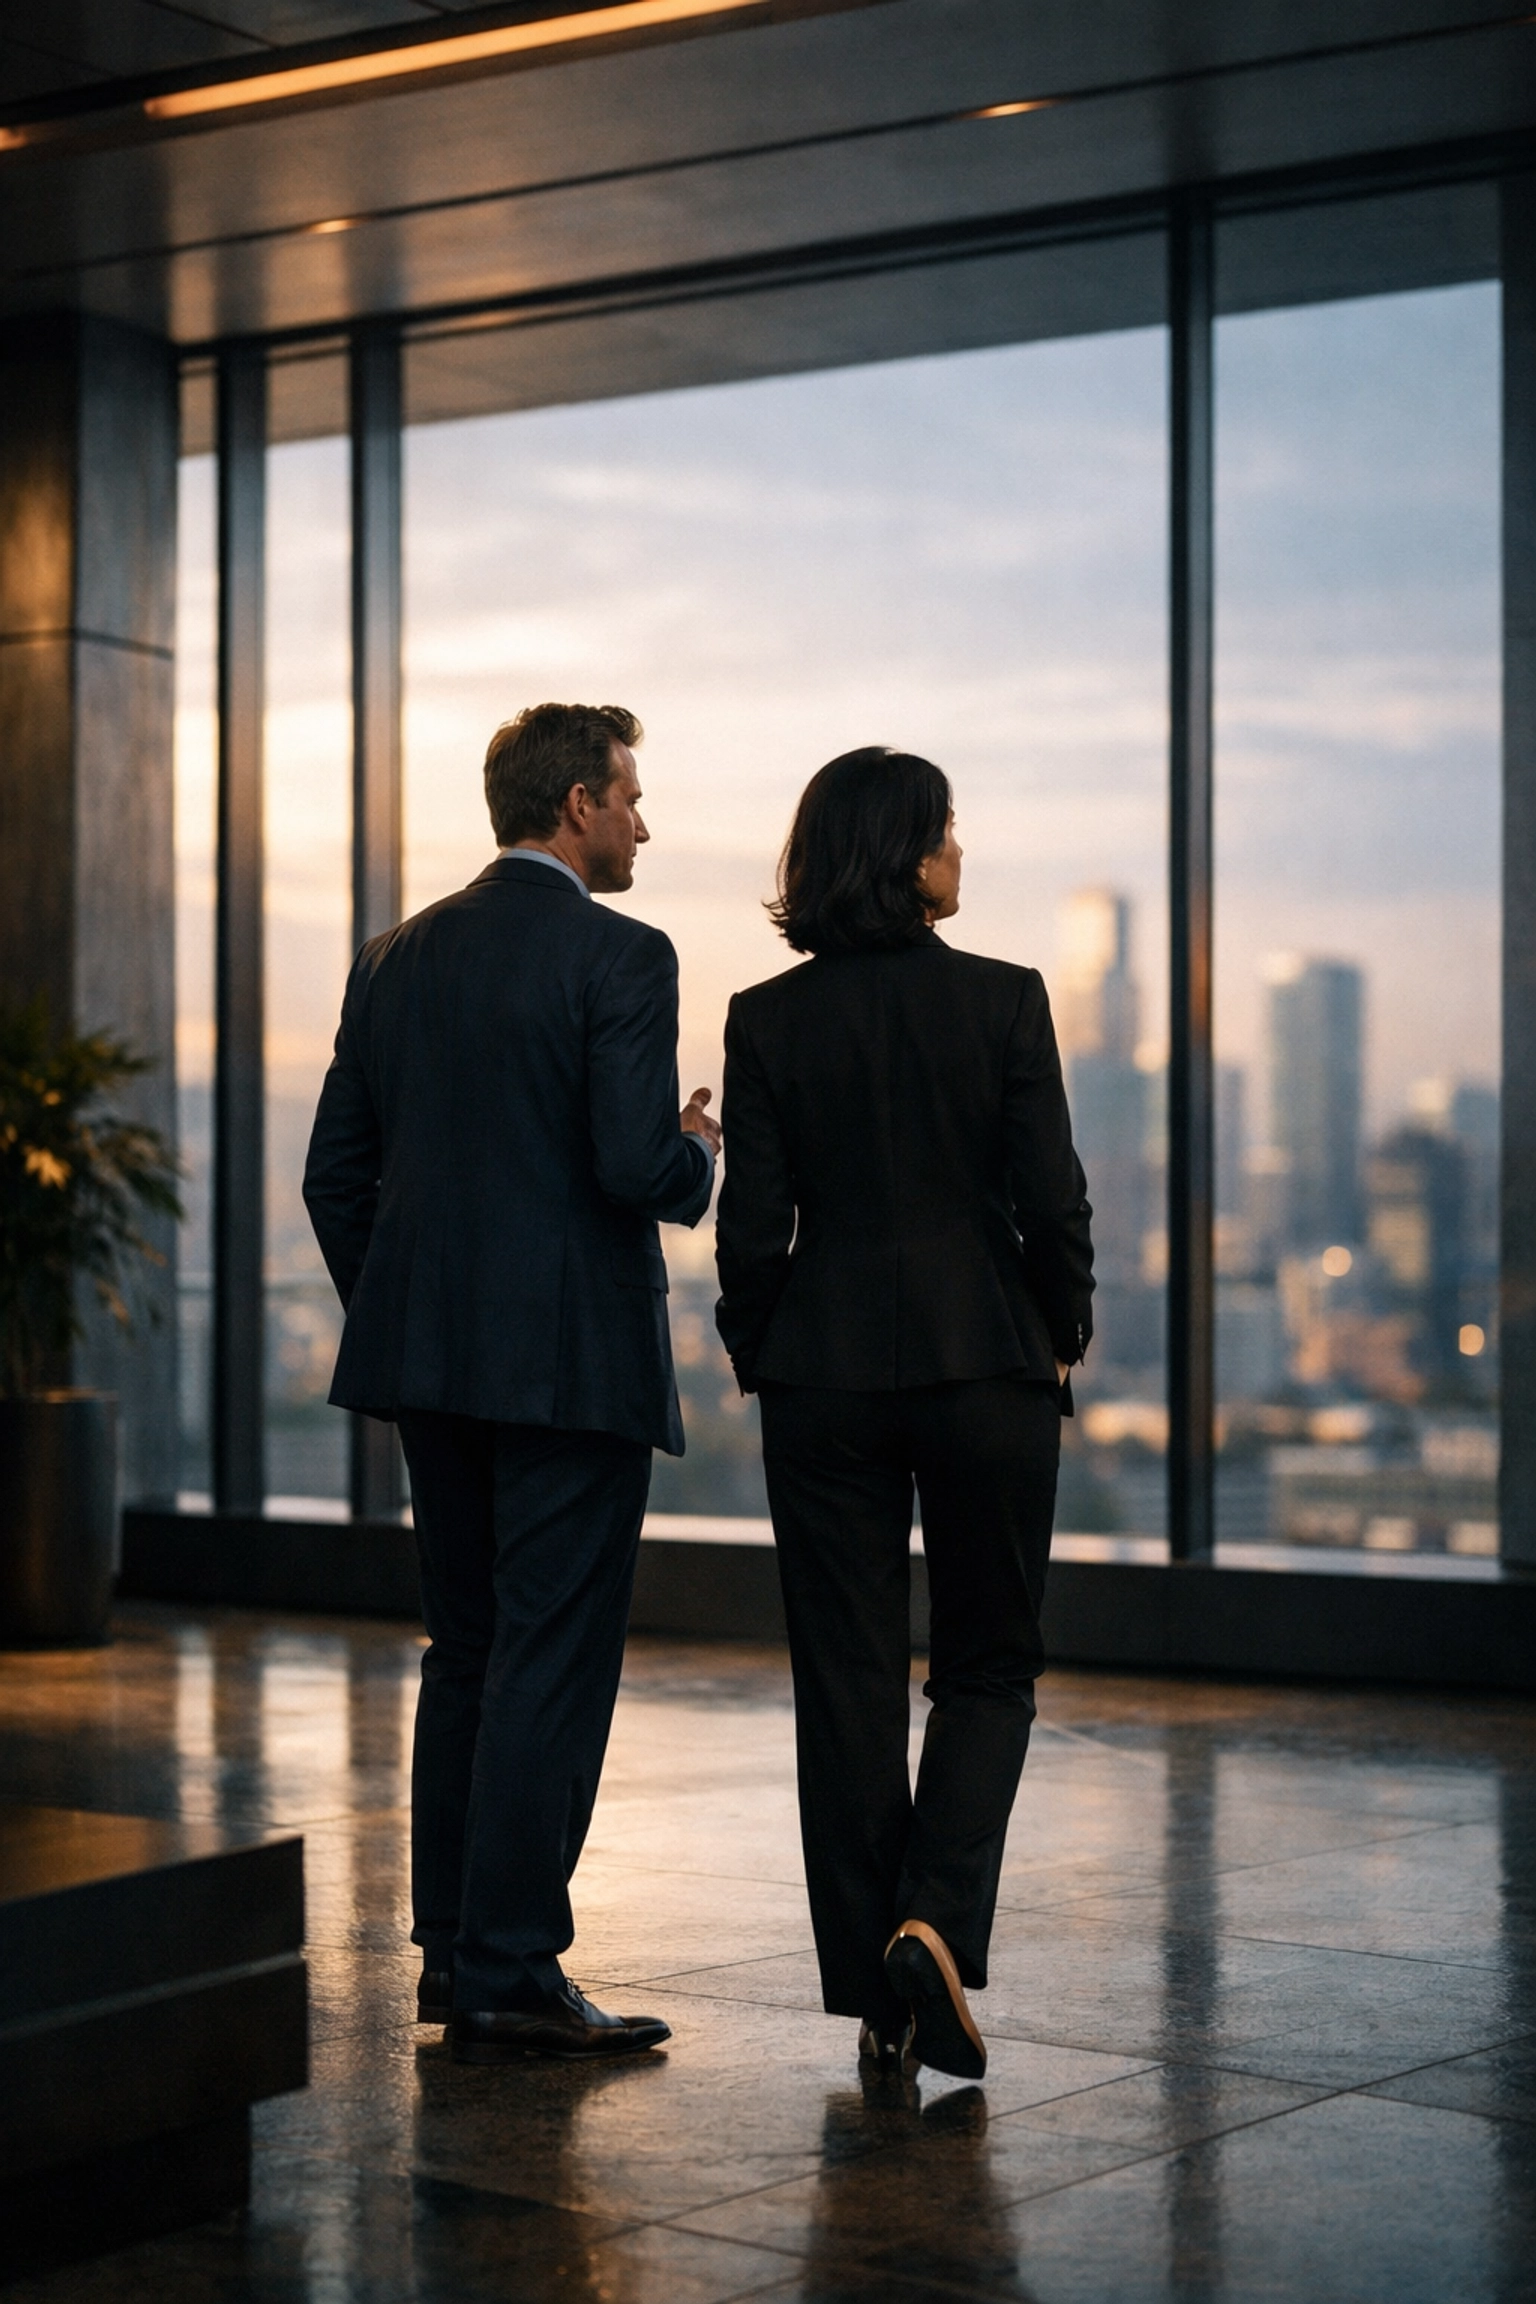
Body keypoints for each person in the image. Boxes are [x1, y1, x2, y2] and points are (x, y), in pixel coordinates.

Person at [304, 702, 720, 2064]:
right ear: (579, 804)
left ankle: (454, 1953)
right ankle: (512, 1969)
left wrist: (414, 1316)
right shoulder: (624, 955)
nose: (643, 823)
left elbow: (334, 1177)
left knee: (468, 1650)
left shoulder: (392, 958)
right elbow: (632, 1165)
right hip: (573, 1368)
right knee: (551, 1654)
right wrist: (698, 1150)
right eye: (630, 797)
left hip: (433, 1369)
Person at [715, 746, 1093, 2081]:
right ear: (905, 856)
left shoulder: (765, 1019)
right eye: (946, 831)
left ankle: (876, 1990)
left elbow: (752, 1229)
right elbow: (1051, 1200)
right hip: (986, 1362)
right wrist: (1061, 1334)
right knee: (990, 1662)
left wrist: (761, 1349)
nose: (959, 851)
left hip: (822, 1378)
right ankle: (933, 1917)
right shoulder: (1004, 999)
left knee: (847, 1682)